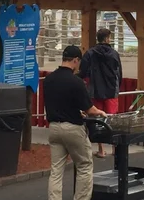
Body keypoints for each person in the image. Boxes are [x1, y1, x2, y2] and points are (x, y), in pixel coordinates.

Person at [44, 45, 107, 200]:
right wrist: (100, 112)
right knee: (84, 165)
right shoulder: (76, 82)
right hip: (72, 128)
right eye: (78, 62)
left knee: (56, 170)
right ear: (75, 60)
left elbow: (58, 102)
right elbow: (89, 109)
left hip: (53, 128)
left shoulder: (48, 79)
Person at [78, 28, 122, 158]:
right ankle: (115, 147)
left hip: (95, 90)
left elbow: (83, 71)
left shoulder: (90, 53)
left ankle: (101, 149)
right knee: (112, 119)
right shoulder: (114, 54)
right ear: (107, 38)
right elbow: (119, 73)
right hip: (111, 91)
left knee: (97, 120)